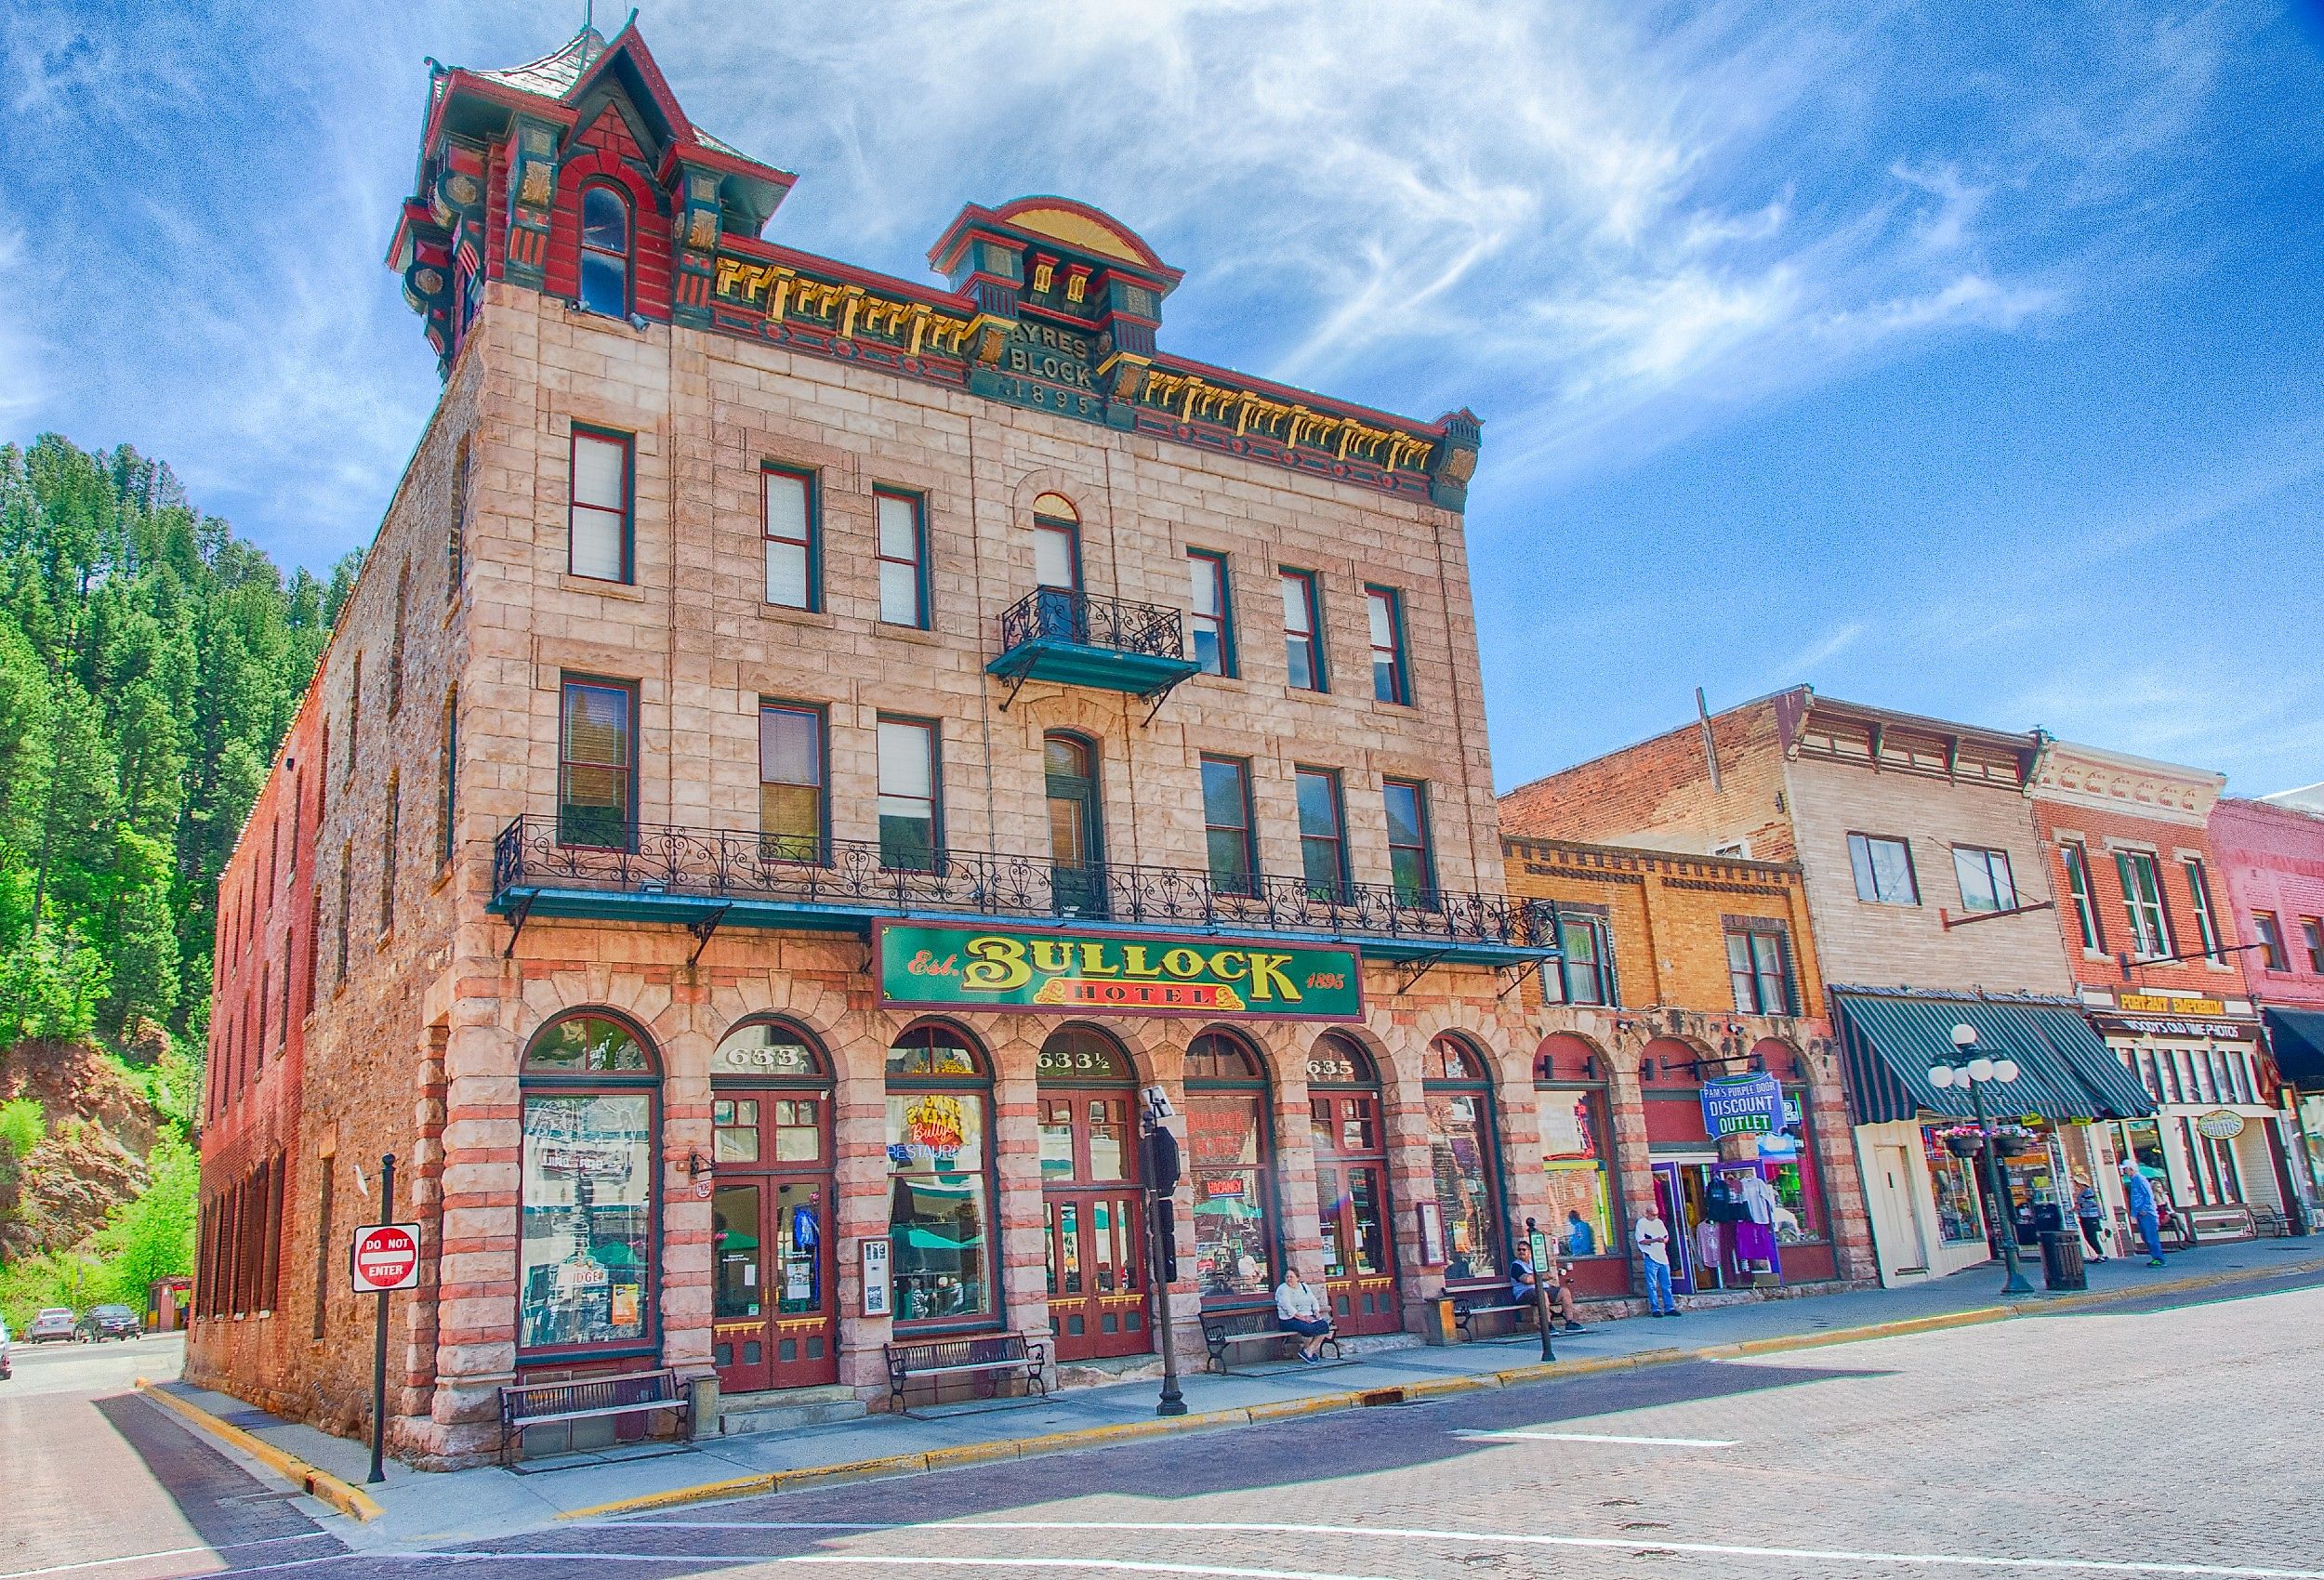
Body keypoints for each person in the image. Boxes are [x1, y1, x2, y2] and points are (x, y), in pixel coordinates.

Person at [1512, 1245, 1586, 1333]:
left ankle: (1570, 1322)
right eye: (1519, 1250)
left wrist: (1535, 1277)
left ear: (1530, 1252)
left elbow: (1549, 1275)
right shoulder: (1516, 1266)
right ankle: (1547, 1325)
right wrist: (1540, 1276)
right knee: (1542, 1294)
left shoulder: (1536, 1263)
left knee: (1564, 1291)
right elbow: (1527, 1280)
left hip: (1543, 1288)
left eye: (1524, 1250)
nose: (1521, 1252)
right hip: (1524, 1293)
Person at [1274, 1269, 1334, 1363]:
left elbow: (1313, 1300)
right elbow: (1287, 1306)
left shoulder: (1304, 1287)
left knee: (1324, 1326)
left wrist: (1316, 1311)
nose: (1289, 1279)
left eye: (1291, 1277)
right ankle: (1307, 1351)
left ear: (1297, 1278)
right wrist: (1302, 1317)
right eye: (1287, 1277)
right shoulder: (1283, 1289)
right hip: (1289, 1320)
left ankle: (1309, 1349)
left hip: (1307, 1316)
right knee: (1308, 1328)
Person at [2119, 1161, 2167, 1267]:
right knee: (2146, 1236)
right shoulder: (2134, 1180)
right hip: (2141, 1213)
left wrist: (2144, 1208)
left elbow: (2148, 1195)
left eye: (2126, 1169)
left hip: (2147, 1213)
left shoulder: (2140, 1179)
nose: (2125, 1171)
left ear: (2131, 1169)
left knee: (2151, 1236)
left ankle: (2159, 1258)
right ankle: (2155, 1257)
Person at [1634, 1203, 1678, 1316]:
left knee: (1666, 1284)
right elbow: (1641, 1240)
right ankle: (1655, 1309)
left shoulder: (1659, 1223)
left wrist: (1663, 1240)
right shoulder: (1642, 1223)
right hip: (1650, 1256)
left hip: (1662, 1256)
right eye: (1653, 1215)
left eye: (1657, 1214)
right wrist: (1654, 1240)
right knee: (1652, 1284)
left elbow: (1666, 1236)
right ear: (1647, 1213)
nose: (1655, 1217)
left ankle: (1669, 1307)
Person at [2072, 1175, 2110, 1262]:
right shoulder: (2083, 1191)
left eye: (2076, 1182)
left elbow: (2090, 1203)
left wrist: (2079, 1206)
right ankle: (2101, 1254)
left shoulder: (2087, 1191)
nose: (2075, 1184)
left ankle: (2100, 1254)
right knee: (2090, 1236)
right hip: (2086, 1216)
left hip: (2089, 1217)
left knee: (2091, 1237)